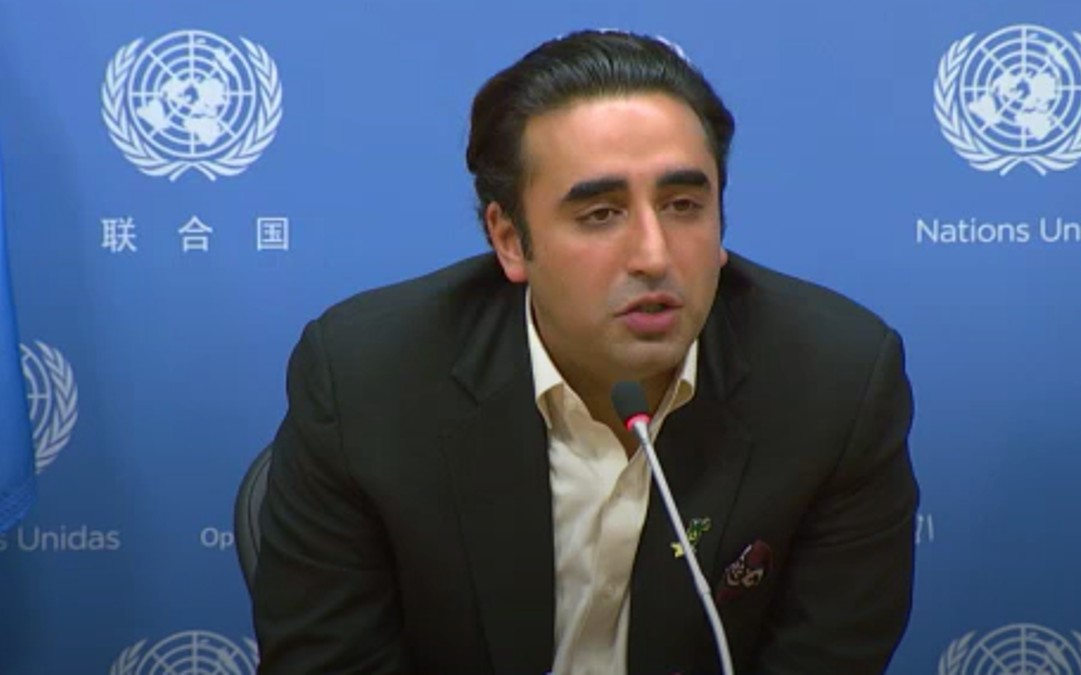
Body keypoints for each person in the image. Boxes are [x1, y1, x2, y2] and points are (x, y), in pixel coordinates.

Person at [252, 29, 919, 674]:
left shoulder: (836, 384)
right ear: (510, 240)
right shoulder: (366, 381)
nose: (654, 255)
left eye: (684, 204)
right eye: (600, 214)